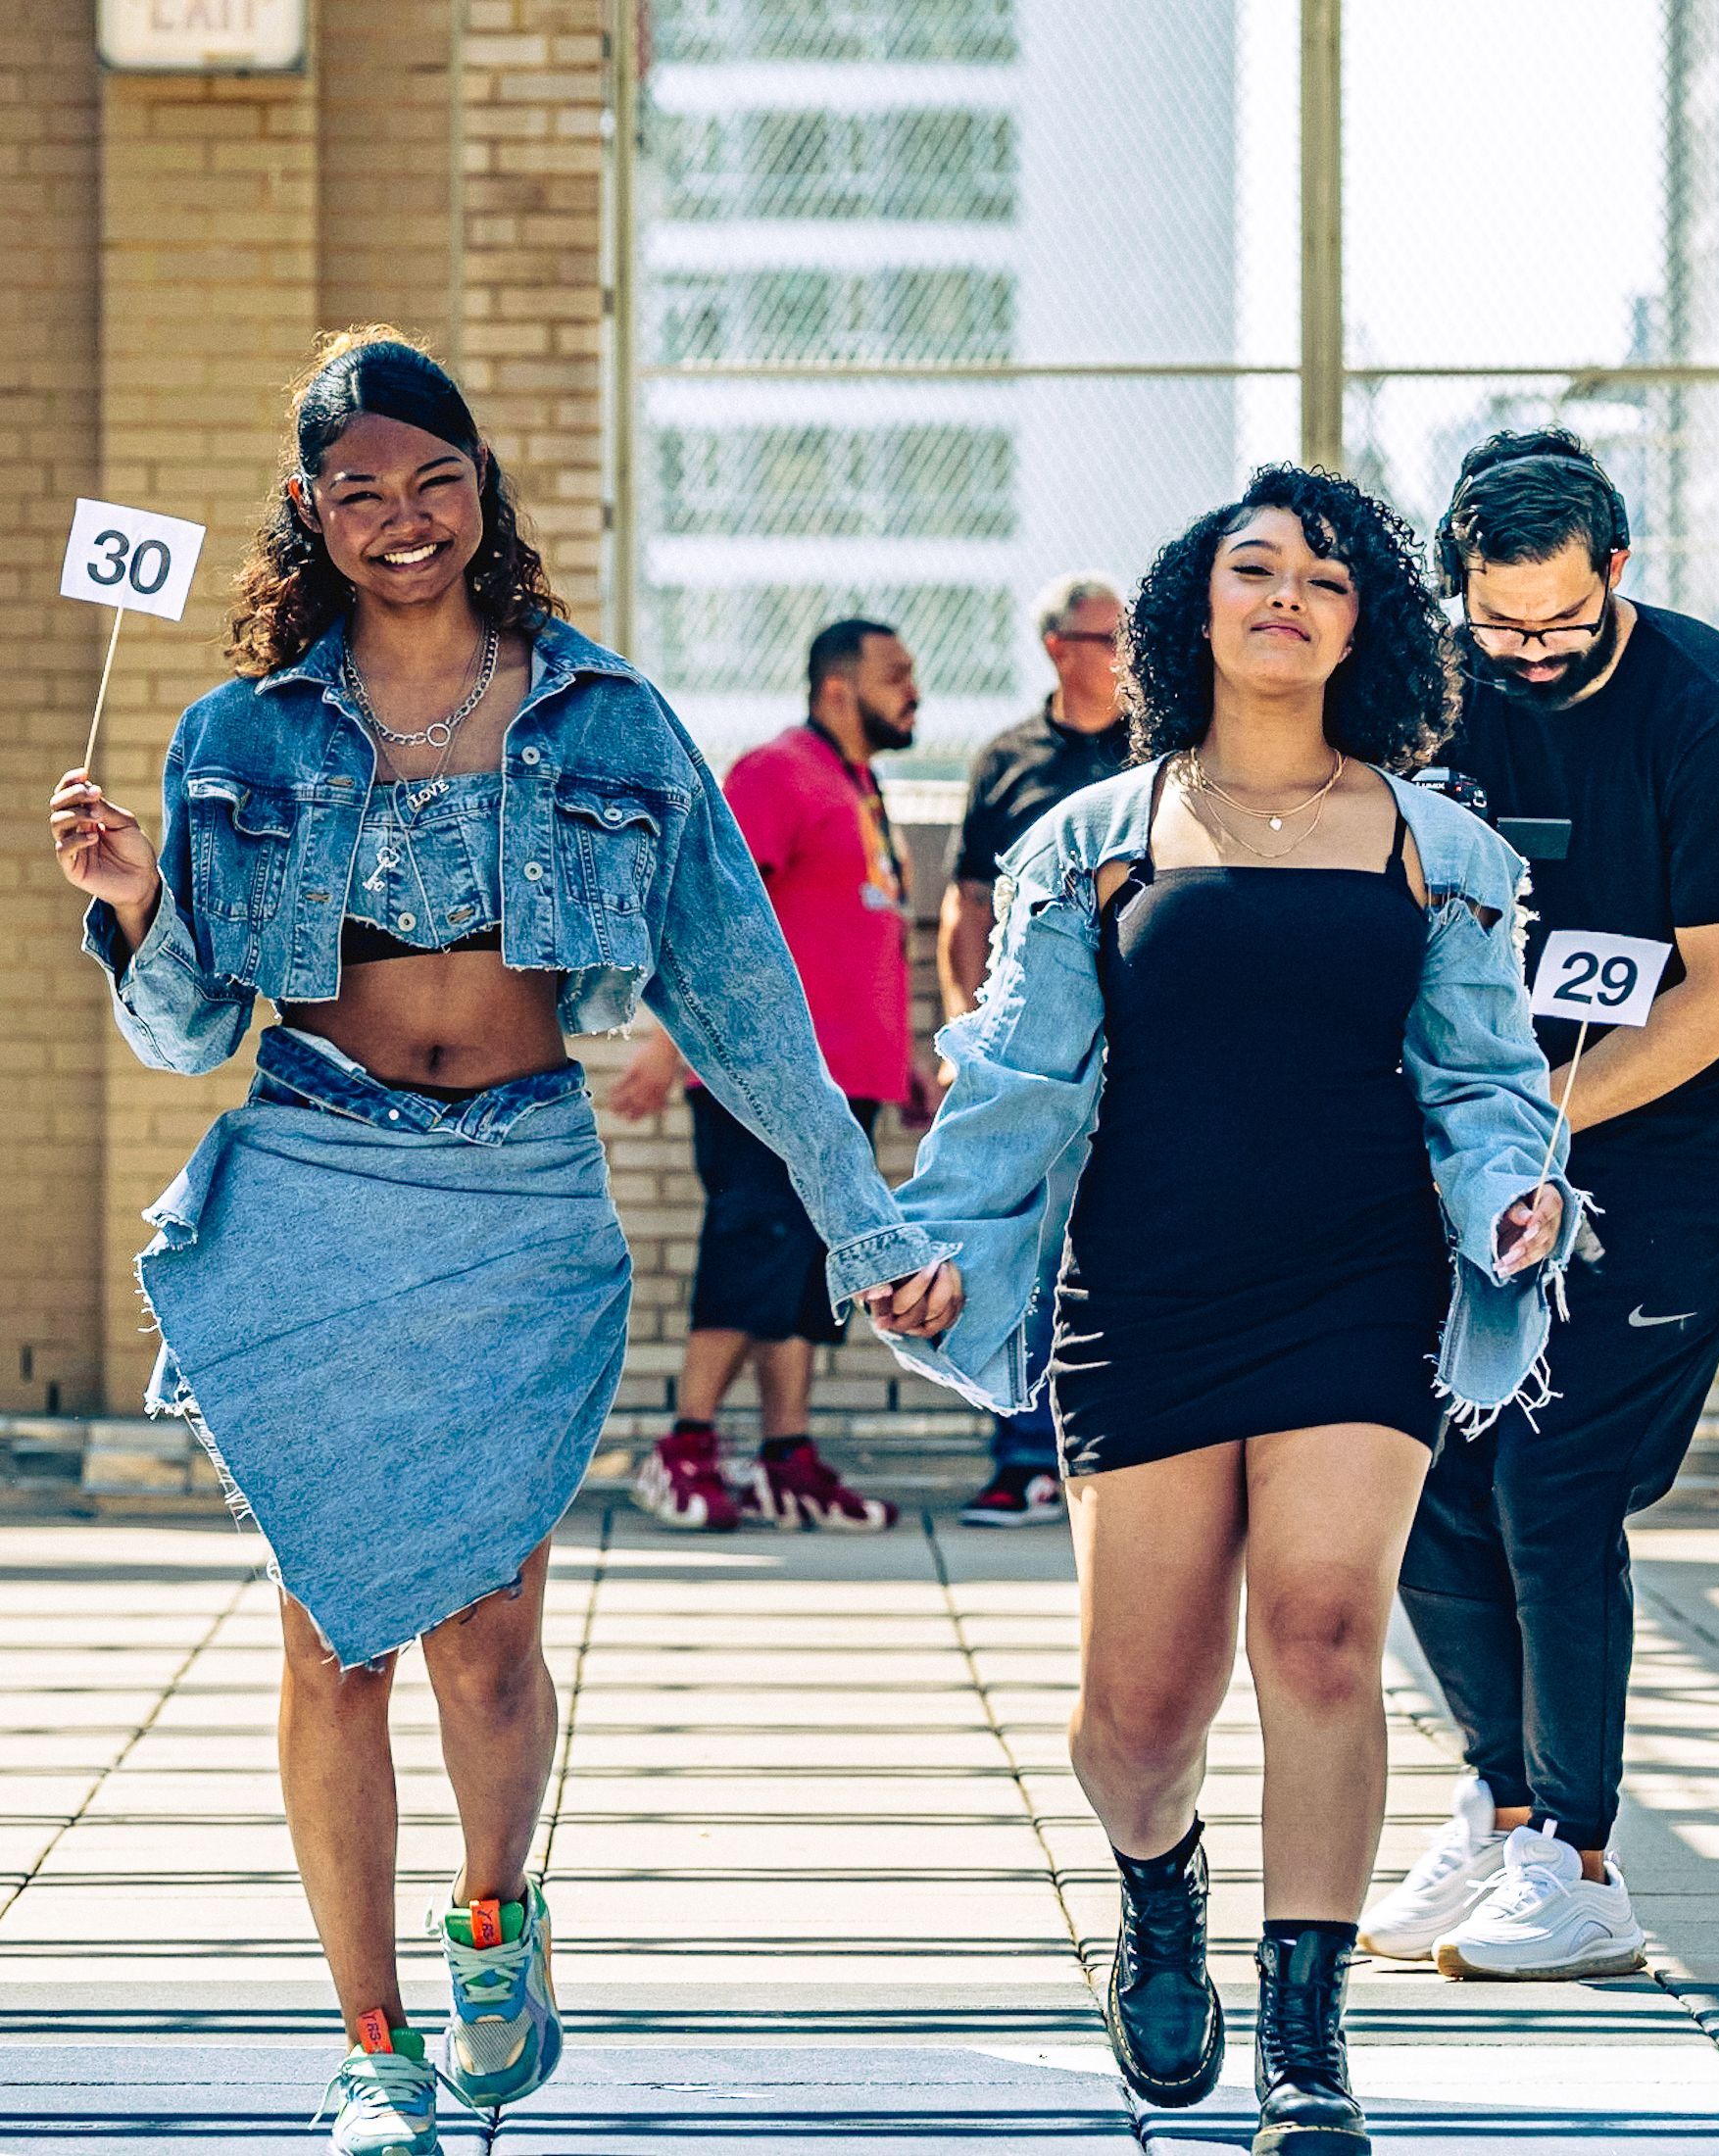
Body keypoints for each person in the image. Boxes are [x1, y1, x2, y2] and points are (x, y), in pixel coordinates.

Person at [47, 329, 959, 2156]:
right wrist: (139, 900)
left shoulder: (609, 720)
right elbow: (180, 1031)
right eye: (361, 492)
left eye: (433, 481)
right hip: (314, 1183)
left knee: (484, 1637)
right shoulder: (237, 733)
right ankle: (370, 2049)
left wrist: (857, 1215)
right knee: (332, 1644)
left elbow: (738, 981)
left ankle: (493, 1916)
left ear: (483, 491)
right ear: (310, 513)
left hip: (523, 1193)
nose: (403, 520)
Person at [871, 466, 1577, 2156]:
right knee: (1136, 1716)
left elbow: (1484, 1081)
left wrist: (1513, 1193)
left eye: (1327, 580)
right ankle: (1163, 1887)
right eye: (1254, 569)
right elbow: (1019, 1093)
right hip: (1152, 1285)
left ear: (1366, 627)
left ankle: (1310, 2040)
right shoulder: (1092, 844)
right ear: (1198, 609)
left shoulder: (1440, 849)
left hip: (1363, 1279)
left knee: (1326, 1633)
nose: (1287, 597)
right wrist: (952, 1248)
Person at [1363, 430, 1719, 1982]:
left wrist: (1531, 1124)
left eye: (1561, 626)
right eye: (1500, 626)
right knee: (1426, 1475)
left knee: (1553, 1486)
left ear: (1619, 574)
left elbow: (1712, 1001)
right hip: (1456, 1156)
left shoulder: (1697, 708)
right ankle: (1503, 1806)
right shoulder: (1433, 689)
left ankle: (1583, 1864)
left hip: (1653, 1157)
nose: (1528, 656)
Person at [610, 618, 936, 1533]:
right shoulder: (778, 773)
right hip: (766, 1088)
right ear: (839, 686)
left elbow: (863, 938)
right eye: (897, 676)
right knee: (751, 1258)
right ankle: (684, 1448)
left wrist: (903, 1057)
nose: (916, 693)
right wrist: (669, 1050)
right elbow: (711, 926)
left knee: (804, 1276)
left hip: (847, 1087)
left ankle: (786, 1458)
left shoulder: (861, 786)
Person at [939, 572, 1130, 1527]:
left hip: (1144, 1050)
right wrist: (964, 1037)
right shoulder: (1006, 760)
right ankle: (1020, 1455)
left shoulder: (1161, 750)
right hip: (1035, 1049)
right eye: (1106, 639)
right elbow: (967, 903)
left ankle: (1112, 1446)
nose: (1122, 655)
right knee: (1020, 1237)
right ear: (1058, 647)